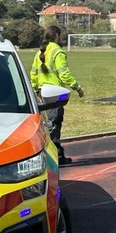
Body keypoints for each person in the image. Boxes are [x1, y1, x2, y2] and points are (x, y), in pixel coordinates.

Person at [30, 25, 84, 165]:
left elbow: (33, 73)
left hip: (42, 93)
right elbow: (64, 73)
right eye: (60, 35)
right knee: (54, 125)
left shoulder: (39, 53)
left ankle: (56, 154)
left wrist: (35, 89)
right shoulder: (57, 52)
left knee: (46, 125)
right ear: (57, 36)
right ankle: (55, 158)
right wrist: (77, 88)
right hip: (54, 94)